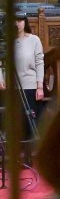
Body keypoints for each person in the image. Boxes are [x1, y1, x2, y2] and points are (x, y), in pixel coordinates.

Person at [0, 11, 45, 139]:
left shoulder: (34, 40)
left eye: (20, 20)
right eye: (14, 21)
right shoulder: (6, 42)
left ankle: (31, 147)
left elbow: (39, 62)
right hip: (10, 87)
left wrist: (40, 86)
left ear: (25, 22)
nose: (17, 24)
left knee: (30, 122)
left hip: (30, 86)